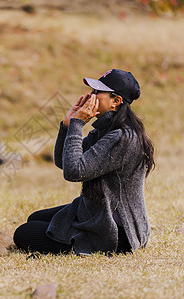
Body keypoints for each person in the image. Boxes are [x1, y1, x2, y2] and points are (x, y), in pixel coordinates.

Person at [13, 69, 155, 255]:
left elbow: (74, 172)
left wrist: (77, 125)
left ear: (116, 101)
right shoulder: (105, 130)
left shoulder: (122, 138)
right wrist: (67, 125)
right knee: (34, 218)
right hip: (98, 212)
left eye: (97, 92)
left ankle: (84, 244)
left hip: (118, 233)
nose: (91, 96)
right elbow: (63, 162)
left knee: (23, 234)